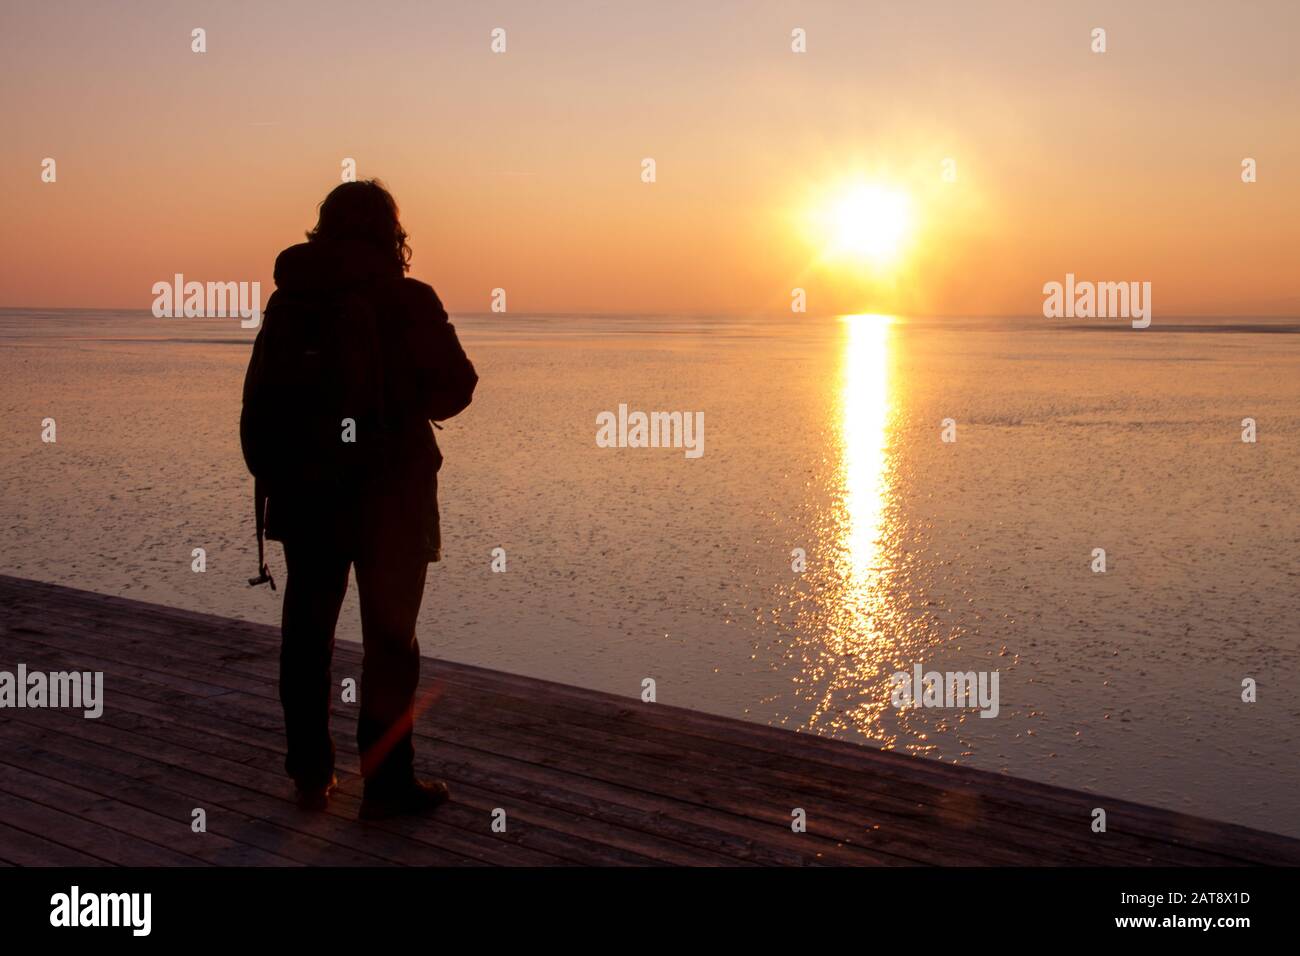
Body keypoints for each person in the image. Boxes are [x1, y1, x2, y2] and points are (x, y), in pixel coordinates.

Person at [240, 180, 477, 819]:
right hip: (393, 500)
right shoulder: (409, 299)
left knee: (307, 637)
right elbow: (456, 389)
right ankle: (388, 784)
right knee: (391, 645)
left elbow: (261, 402)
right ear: (390, 235)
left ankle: (310, 776)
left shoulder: (290, 304)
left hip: (309, 496)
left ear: (324, 229)